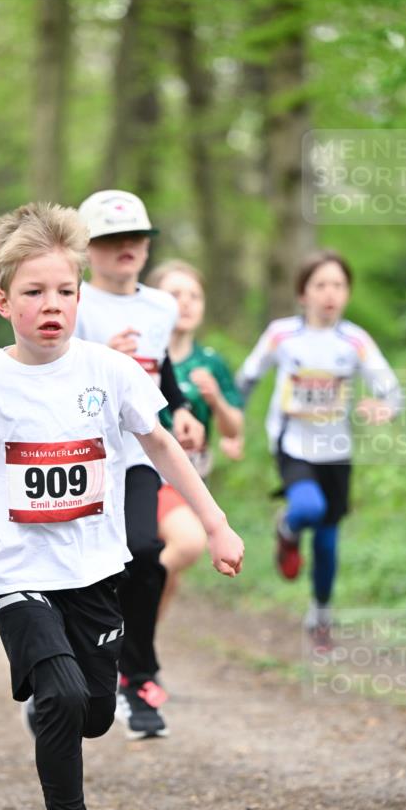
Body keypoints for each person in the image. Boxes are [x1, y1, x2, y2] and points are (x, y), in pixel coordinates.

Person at [0, 202, 243, 810]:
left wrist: (215, 524)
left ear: (80, 295)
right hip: (18, 573)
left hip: (94, 570)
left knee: (94, 711)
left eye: (65, 291)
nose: (52, 306)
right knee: (64, 698)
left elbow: (163, 447)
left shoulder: (110, 370)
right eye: (34, 293)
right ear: (3, 300)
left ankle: (55, 702)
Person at [73, 190, 205, 739]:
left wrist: (184, 410)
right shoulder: (74, 302)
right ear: (87, 249)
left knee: (146, 552)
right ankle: (69, 680)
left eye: (134, 238)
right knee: (88, 572)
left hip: (138, 452)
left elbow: (163, 367)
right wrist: (103, 356)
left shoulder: (161, 307)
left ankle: (138, 677)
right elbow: (52, 373)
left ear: (148, 245)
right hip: (80, 454)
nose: (124, 248)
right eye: (110, 239)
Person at [236, 250, 401, 647]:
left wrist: (383, 407)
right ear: (302, 293)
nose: (330, 293)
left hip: (336, 451)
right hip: (292, 445)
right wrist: (231, 422)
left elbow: (391, 390)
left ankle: (320, 614)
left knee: (327, 543)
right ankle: (287, 528)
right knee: (308, 508)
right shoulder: (281, 334)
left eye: (339, 285)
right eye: (321, 285)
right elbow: (245, 379)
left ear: (347, 293)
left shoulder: (355, 340)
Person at [146, 260, 244, 617]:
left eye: (194, 296)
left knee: (169, 581)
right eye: (174, 295)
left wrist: (216, 399)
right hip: (151, 475)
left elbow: (234, 429)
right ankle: (122, 606)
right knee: (186, 545)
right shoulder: (142, 354)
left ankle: (136, 659)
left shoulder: (212, 362)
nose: (185, 303)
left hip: (194, 481)